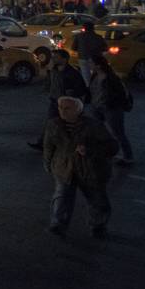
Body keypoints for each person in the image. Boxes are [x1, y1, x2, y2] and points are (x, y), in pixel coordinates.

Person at [44, 96, 117, 237]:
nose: (62, 111)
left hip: (90, 169)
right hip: (65, 168)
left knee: (97, 199)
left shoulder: (94, 125)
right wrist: (48, 164)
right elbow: (48, 145)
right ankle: (58, 224)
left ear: (78, 109)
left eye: (67, 108)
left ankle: (98, 226)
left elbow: (112, 147)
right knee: (62, 198)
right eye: (60, 107)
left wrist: (89, 150)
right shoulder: (53, 124)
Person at [29, 50, 88, 150]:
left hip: (67, 103)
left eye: (56, 57)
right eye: (53, 57)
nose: (53, 59)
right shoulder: (54, 70)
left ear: (64, 59)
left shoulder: (72, 73)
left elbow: (80, 89)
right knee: (51, 123)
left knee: (67, 125)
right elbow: (51, 82)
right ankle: (43, 143)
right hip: (55, 101)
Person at [88, 54, 134, 166]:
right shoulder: (95, 75)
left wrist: (112, 103)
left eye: (91, 62)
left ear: (98, 65)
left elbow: (120, 94)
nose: (89, 64)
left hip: (110, 108)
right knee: (98, 131)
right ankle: (104, 152)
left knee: (118, 133)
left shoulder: (111, 78)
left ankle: (128, 157)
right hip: (97, 107)